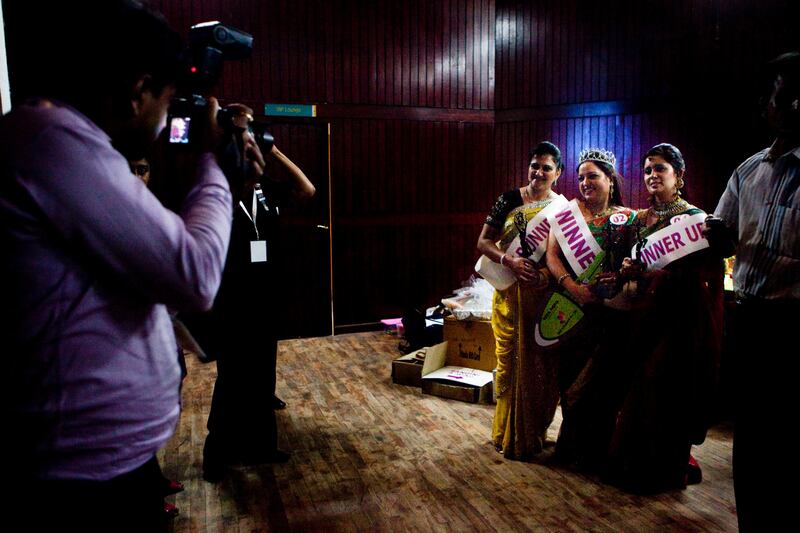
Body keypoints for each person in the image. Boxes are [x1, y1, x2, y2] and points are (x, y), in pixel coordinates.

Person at [0, 2, 232, 531]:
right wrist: (214, 167)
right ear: (137, 90)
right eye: (167, 102)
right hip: (77, 487)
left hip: (94, 469)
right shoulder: (54, 141)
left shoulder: (53, 139)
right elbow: (195, 274)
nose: (165, 119)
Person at [197, 104, 315, 483]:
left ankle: (263, 445)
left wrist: (274, 151)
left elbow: (307, 190)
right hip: (231, 301)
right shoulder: (218, 191)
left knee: (263, 376)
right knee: (231, 378)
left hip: (264, 298)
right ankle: (217, 454)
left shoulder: (266, 189)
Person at [710, 51, 800, 532]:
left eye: (794, 97)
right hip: (753, 323)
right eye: (780, 97)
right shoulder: (749, 171)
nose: (788, 106)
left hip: (794, 326)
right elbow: (722, 232)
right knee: (756, 444)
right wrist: (709, 235)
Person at [604, 143, 723, 494]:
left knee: (664, 389)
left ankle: (662, 468)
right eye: (647, 170)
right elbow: (632, 263)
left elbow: (706, 276)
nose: (652, 176)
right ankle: (633, 464)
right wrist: (629, 268)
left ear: (679, 177)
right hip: (643, 315)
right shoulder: (640, 219)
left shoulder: (695, 220)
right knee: (638, 387)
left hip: (680, 320)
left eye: (660, 169)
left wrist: (660, 277)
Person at [545, 148, 637, 470]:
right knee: (571, 380)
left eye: (593, 176)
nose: (585, 183)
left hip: (610, 312)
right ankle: (570, 447)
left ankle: (597, 451)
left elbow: (635, 260)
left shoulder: (628, 217)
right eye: (581, 177)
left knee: (603, 384)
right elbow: (552, 255)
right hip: (572, 306)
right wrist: (573, 286)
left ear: (610, 179)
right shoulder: (567, 216)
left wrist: (620, 275)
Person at [477, 141, 567, 460]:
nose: (538, 172)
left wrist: (542, 273)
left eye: (546, 167)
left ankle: (531, 433)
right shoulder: (509, 200)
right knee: (508, 364)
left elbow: (564, 256)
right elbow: (484, 242)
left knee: (538, 367)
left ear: (557, 173)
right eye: (534, 165)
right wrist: (509, 261)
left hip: (541, 297)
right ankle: (505, 433)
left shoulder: (563, 209)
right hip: (508, 295)